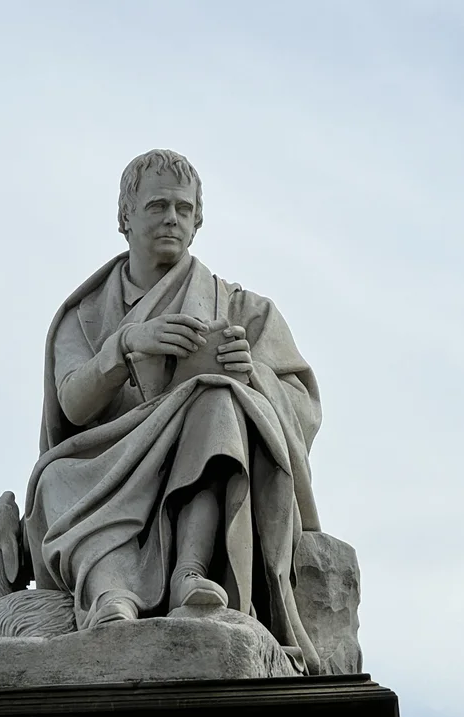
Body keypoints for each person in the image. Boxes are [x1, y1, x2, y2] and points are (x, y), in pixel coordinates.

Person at [23, 149, 324, 672]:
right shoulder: (84, 314)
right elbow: (72, 404)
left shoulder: (242, 309)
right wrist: (125, 346)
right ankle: (109, 594)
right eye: (157, 206)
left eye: (184, 209)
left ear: (197, 220)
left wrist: (250, 373)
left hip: (195, 445)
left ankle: (191, 571)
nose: (172, 219)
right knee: (54, 480)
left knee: (218, 400)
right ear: (125, 216)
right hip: (107, 459)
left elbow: (303, 406)